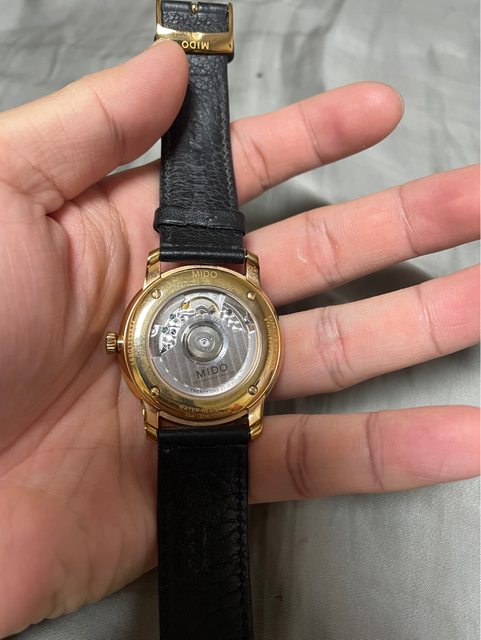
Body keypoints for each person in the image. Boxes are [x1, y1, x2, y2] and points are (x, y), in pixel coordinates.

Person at [0, 40, 478, 638]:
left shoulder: (195, 317)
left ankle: (193, 36)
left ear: (124, 340)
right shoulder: (169, 337)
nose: (201, 342)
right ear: (126, 342)